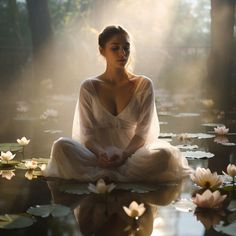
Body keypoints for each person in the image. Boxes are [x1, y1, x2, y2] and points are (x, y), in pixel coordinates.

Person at [43, 25, 192, 182]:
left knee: (164, 154)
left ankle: (108, 175)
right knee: (61, 146)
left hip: (133, 156)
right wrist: (101, 153)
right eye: (115, 48)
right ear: (102, 51)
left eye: (126, 48)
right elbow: (87, 133)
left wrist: (125, 154)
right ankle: (104, 170)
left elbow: (143, 132)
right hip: (97, 157)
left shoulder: (143, 84)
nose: (122, 53)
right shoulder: (89, 87)